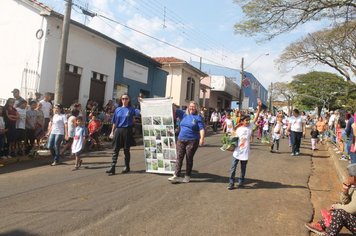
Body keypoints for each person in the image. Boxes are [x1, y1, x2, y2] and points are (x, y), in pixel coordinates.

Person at [305, 163, 356, 235]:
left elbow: (352, 209)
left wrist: (335, 206)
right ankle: (321, 225)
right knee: (338, 205)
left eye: (350, 176)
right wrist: (345, 190)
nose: (348, 177)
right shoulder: (354, 187)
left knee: (340, 213)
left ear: (354, 177)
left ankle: (330, 234)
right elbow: (345, 202)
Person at [227, 100, 262, 190]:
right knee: (233, 168)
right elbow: (232, 137)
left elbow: (256, 117)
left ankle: (241, 182)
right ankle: (231, 183)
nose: (247, 122)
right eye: (246, 120)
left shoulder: (250, 126)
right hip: (237, 151)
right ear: (242, 121)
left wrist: (259, 108)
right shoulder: (238, 128)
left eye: (248, 120)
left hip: (245, 152)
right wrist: (229, 143)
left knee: (243, 169)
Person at [167, 101, 205, 183]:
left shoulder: (198, 117)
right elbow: (174, 108)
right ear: (188, 107)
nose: (192, 108)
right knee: (179, 157)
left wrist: (202, 138)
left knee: (189, 158)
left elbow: (201, 129)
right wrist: (168, 101)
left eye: (193, 107)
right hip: (181, 140)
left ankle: (187, 176)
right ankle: (176, 175)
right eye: (190, 106)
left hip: (192, 141)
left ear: (196, 108)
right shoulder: (183, 114)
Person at [106, 94, 140, 175]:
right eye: (123, 98)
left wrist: (141, 103)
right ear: (121, 100)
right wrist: (112, 131)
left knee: (126, 150)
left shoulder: (132, 109)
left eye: (126, 98)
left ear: (129, 100)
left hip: (127, 130)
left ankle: (127, 166)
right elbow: (114, 122)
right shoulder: (118, 109)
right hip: (118, 130)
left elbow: (141, 113)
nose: (124, 100)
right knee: (115, 149)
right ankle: (113, 167)